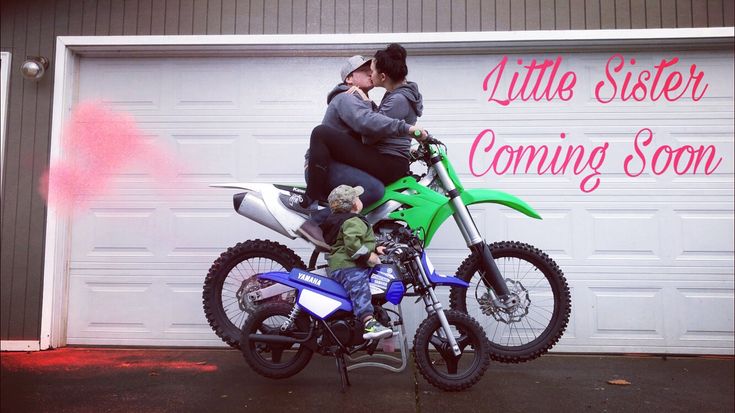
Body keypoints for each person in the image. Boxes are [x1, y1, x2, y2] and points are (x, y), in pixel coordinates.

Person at [300, 51, 426, 209]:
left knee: (376, 190)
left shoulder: (364, 102)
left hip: (339, 163)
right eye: (363, 69)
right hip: (323, 167)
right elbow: (367, 124)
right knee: (321, 132)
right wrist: (407, 129)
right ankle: (313, 209)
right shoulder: (346, 97)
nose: (369, 72)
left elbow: (374, 124)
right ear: (349, 79)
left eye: (370, 69)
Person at [319, 184, 393, 340]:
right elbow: (353, 245)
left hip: (342, 264)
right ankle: (369, 323)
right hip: (348, 266)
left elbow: (355, 241)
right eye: (357, 198)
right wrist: (368, 256)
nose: (360, 200)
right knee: (360, 288)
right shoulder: (353, 221)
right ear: (354, 204)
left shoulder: (339, 220)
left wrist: (376, 247)